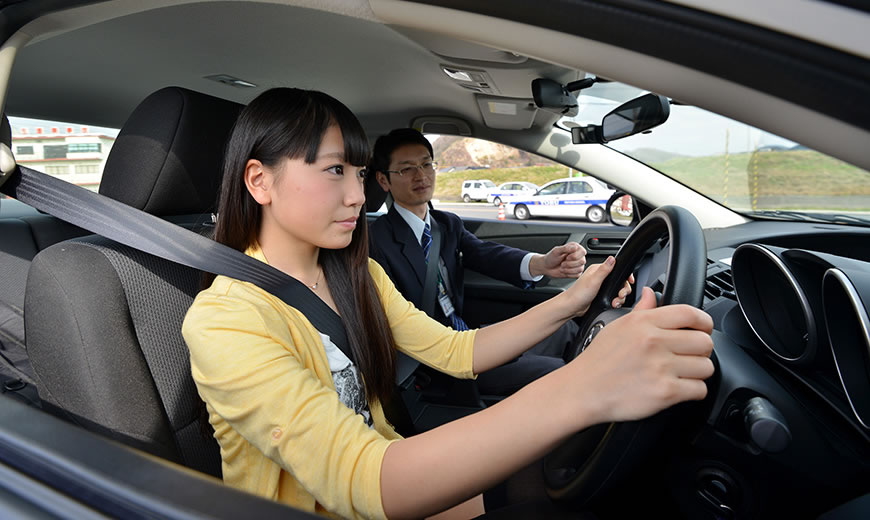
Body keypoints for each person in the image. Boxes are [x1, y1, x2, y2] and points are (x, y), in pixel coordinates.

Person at [181, 87, 715, 520]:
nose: (357, 196)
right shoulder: (227, 320)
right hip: (364, 495)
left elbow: (457, 351)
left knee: (576, 489)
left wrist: (573, 301)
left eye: (360, 174)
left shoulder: (353, 272)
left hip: (390, 479)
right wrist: (587, 385)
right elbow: (365, 477)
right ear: (260, 181)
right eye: (334, 171)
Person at [368, 128, 590, 395]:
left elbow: (485, 253)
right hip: (434, 359)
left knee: (564, 330)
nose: (421, 175)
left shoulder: (446, 225)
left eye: (426, 163)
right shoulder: (376, 241)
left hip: (469, 334)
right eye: (406, 169)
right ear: (383, 180)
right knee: (557, 371)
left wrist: (541, 264)